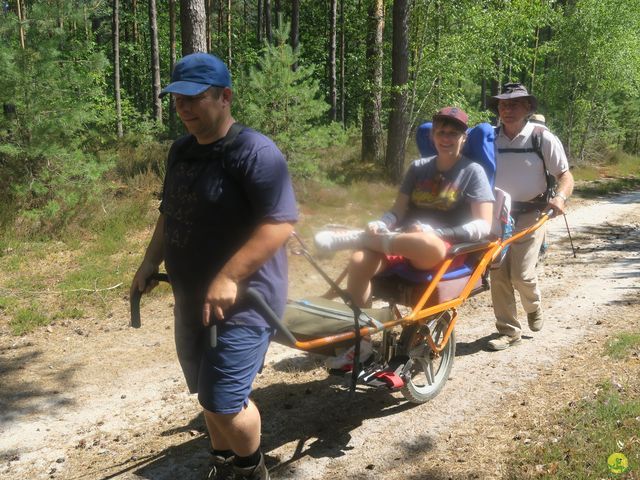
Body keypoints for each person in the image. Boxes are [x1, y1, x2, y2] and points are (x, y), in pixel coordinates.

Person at [130, 52, 298, 480]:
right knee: (207, 395)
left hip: (246, 300)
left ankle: (250, 469)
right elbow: (172, 212)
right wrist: (150, 261)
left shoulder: (255, 152)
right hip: (191, 297)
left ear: (225, 97)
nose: (183, 108)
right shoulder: (182, 151)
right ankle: (224, 464)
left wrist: (229, 276)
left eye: (194, 98)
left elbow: (279, 225)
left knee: (224, 399)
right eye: (177, 99)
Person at [315, 107, 494, 367]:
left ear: (464, 138)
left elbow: (483, 225)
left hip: (445, 248)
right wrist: (382, 222)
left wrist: (438, 232)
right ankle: (361, 345)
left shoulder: (472, 172)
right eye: (441, 132)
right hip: (401, 241)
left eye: (453, 133)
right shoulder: (418, 168)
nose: (446, 138)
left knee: (427, 242)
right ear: (433, 135)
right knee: (359, 259)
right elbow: (397, 211)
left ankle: (358, 237)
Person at [487, 83, 574, 351]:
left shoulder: (542, 137)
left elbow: (565, 176)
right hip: (497, 214)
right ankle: (508, 331)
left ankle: (533, 307)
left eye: (514, 104)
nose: (507, 109)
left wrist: (559, 198)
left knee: (522, 274)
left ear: (527, 108)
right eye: (503, 104)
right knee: (498, 274)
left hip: (532, 213)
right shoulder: (488, 137)